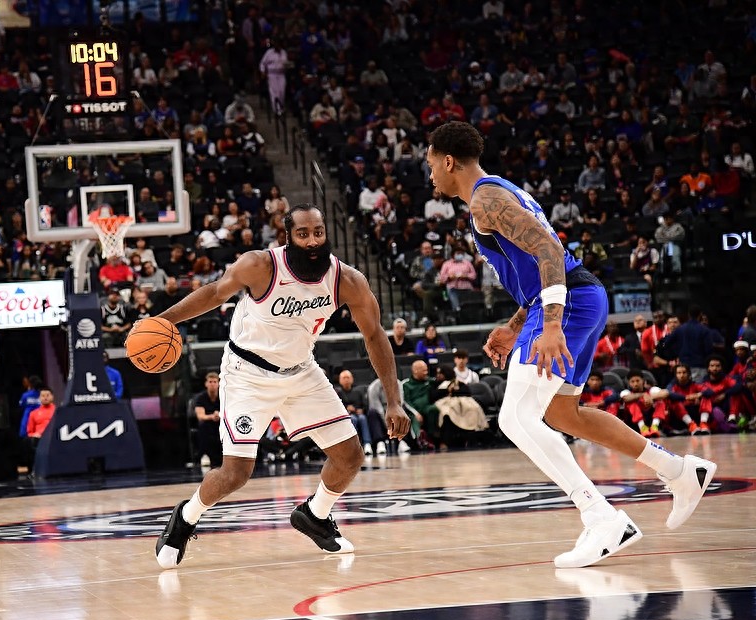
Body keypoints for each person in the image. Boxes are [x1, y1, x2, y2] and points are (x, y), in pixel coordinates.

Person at [425, 121, 715, 569]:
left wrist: (551, 323)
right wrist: (517, 324)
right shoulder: (496, 193)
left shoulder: (486, 199)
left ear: (448, 161)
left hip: (568, 303)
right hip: (573, 298)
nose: (429, 175)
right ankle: (679, 471)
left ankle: (602, 518)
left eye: (430, 165)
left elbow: (549, 250)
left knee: (516, 417)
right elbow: (536, 264)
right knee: (563, 414)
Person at [151, 204, 410, 569]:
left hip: (301, 371)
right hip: (247, 374)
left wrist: (394, 401)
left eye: (318, 232)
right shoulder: (260, 265)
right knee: (235, 474)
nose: (312, 240)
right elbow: (214, 293)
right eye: (303, 234)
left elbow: (374, 335)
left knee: (350, 455)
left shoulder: (346, 280)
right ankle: (186, 516)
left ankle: (315, 514)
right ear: (288, 236)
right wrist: (162, 321)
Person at [192, 372, 222, 468]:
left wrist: (220, 415)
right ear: (206, 384)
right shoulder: (200, 398)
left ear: (219, 383)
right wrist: (212, 416)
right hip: (208, 425)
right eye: (210, 382)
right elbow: (200, 416)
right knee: (204, 426)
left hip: (221, 423)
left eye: (215, 382)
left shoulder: (223, 396)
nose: (212, 384)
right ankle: (205, 455)